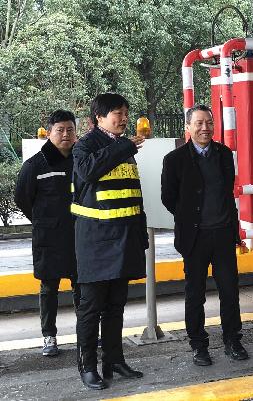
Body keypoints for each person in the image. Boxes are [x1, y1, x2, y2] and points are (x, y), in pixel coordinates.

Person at [161, 104, 248, 366]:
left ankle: (233, 340)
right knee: (195, 294)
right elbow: (168, 198)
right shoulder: (174, 160)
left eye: (209, 122)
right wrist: (190, 218)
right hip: (194, 238)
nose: (205, 128)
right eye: (198, 123)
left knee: (229, 291)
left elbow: (227, 192)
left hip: (222, 234)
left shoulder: (223, 154)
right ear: (188, 127)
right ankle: (198, 345)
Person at [71, 93, 147, 390]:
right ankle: (88, 366)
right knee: (91, 308)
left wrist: (140, 235)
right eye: (117, 113)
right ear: (99, 117)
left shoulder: (123, 147)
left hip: (124, 238)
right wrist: (124, 146)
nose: (124, 118)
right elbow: (88, 171)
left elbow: (131, 193)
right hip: (96, 242)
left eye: (126, 112)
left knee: (116, 306)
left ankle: (113, 359)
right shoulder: (86, 144)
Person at [14, 109, 80, 357]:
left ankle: (86, 334)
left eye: (70, 130)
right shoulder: (35, 165)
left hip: (78, 235)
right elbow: (22, 198)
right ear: (49, 132)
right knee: (49, 288)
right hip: (49, 238)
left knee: (82, 286)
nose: (65, 135)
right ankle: (49, 336)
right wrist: (44, 221)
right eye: (60, 130)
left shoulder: (81, 160)